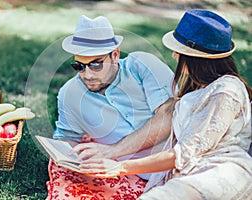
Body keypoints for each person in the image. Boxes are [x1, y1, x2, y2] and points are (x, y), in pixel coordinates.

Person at [79, 9, 252, 199]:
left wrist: (120, 167)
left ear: (196, 58)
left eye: (179, 51)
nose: (174, 56)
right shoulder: (197, 88)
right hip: (189, 170)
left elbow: (184, 153)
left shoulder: (226, 90)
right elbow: (167, 124)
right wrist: (112, 152)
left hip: (222, 169)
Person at [46, 15, 175, 199]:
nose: (87, 75)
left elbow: (168, 117)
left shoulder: (142, 65)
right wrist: (71, 155)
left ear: (115, 55)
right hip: (130, 173)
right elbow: (67, 138)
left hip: (175, 160)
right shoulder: (70, 94)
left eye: (96, 64)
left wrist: (113, 151)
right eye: (79, 66)